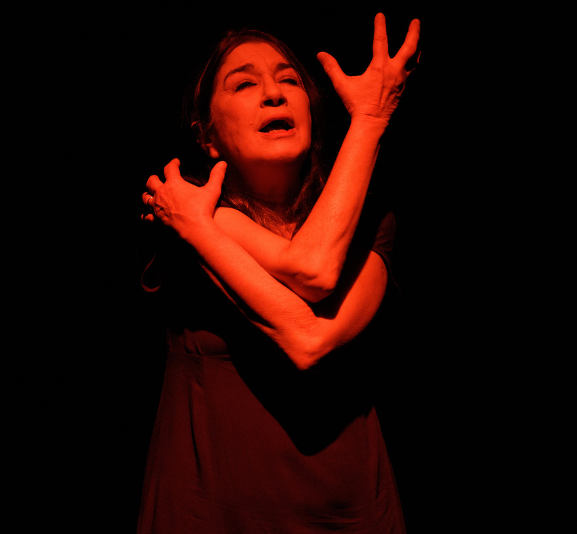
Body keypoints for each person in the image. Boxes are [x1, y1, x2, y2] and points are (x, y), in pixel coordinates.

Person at [138, 13, 420, 533]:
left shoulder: (371, 223)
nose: (273, 94)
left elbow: (313, 326)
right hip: (212, 512)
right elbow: (309, 276)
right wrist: (195, 226)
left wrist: (370, 117)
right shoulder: (190, 209)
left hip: (346, 512)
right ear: (207, 137)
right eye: (244, 84)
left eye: (289, 80)